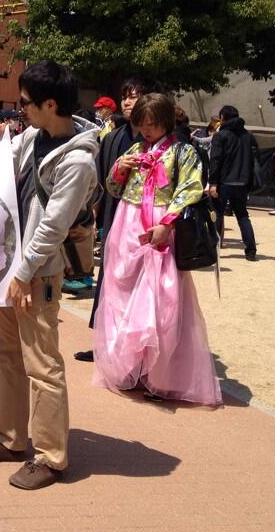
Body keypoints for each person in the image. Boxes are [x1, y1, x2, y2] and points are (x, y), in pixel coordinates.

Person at [0, 61, 98, 490]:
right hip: (9, 269)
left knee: (43, 365)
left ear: (50, 104)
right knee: (9, 358)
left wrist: (23, 274)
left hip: (36, 275)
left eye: (25, 103)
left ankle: (52, 458)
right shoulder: (33, 138)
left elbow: (53, 226)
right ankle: (11, 438)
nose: (20, 109)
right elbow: (0, 165)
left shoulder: (78, 160)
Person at [92, 93, 222, 406]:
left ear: (166, 121)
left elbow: (190, 189)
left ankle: (160, 374)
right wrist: (119, 168)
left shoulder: (183, 151)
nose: (146, 130)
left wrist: (168, 223)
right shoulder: (136, 149)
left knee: (161, 298)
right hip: (127, 223)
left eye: (152, 124)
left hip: (160, 225)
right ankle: (128, 366)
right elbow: (112, 188)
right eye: (142, 124)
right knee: (122, 293)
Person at [74, 77, 162, 359]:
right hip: (114, 219)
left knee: (140, 286)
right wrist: (93, 213)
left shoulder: (160, 140)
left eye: (135, 96)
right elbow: (100, 182)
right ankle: (104, 344)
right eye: (125, 96)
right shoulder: (113, 137)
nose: (127, 102)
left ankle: (136, 352)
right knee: (109, 280)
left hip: (145, 223)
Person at [208, 105, 259, 261]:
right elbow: (254, 158)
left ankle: (214, 250)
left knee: (217, 214)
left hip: (224, 182)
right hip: (242, 182)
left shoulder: (221, 135)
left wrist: (213, 182)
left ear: (223, 117)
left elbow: (215, 160)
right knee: (242, 215)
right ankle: (251, 251)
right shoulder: (248, 136)